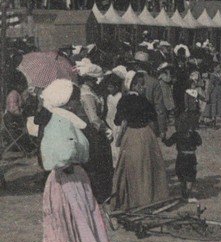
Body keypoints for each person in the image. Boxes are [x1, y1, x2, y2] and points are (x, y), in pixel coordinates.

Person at [37, 79, 113, 242]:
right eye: (74, 100)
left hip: (61, 183)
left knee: (59, 241)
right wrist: (73, 160)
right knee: (67, 240)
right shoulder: (62, 122)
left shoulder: (53, 118)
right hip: (67, 182)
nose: (78, 104)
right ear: (66, 102)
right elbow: (62, 155)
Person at [110, 71, 171, 211]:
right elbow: (153, 119)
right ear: (135, 86)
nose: (143, 87)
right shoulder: (144, 101)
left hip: (130, 136)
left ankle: (131, 200)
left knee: (130, 168)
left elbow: (117, 120)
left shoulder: (123, 100)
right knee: (147, 168)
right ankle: (147, 200)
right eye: (141, 85)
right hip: (146, 135)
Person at [76, 62, 114, 204]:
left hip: (95, 129)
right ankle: (98, 194)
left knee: (99, 162)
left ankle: (100, 192)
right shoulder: (87, 94)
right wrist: (106, 130)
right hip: (93, 132)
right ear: (89, 79)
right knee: (97, 162)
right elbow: (94, 118)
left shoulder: (90, 92)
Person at [162, 113, 202, 203]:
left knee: (182, 176)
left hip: (181, 157)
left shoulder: (177, 134)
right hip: (191, 157)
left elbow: (168, 143)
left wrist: (163, 138)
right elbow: (199, 143)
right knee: (190, 176)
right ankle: (188, 195)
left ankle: (184, 194)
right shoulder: (194, 134)